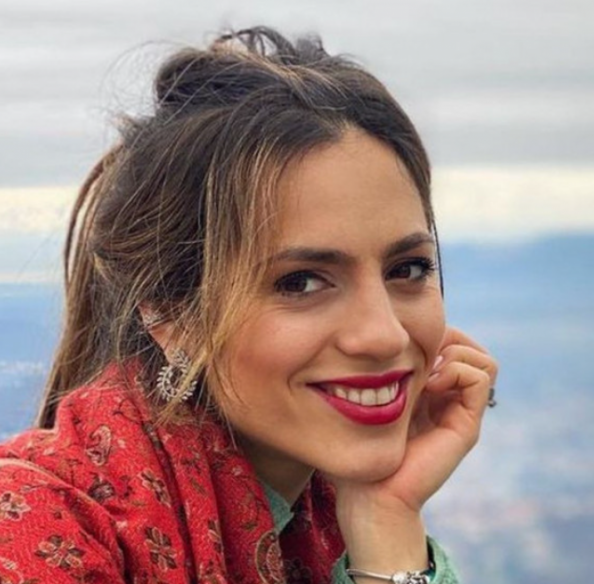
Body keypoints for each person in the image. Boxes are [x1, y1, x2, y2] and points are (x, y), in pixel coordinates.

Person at [0, 26, 497, 584]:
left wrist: (388, 515)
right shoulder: (31, 537)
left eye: (407, 270)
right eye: (301, 282)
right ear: (169, 314)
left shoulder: (330, 519)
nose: (384, 335)